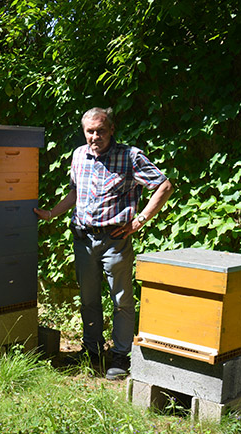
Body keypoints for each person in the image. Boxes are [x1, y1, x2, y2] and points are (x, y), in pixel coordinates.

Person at [35, 107, 174, 380]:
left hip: (115, 240)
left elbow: (164, 186)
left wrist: (141, 219)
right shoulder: (78, 155)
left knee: (121, 300)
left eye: (100, 130)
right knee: (88, 300)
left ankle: (121, 356)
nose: (95, 136)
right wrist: (51, 213)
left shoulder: (129, 156)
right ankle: (93, 352)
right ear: (84, 132)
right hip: (83, 238)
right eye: (90, 131)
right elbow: (76, 192)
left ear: (111, 129)